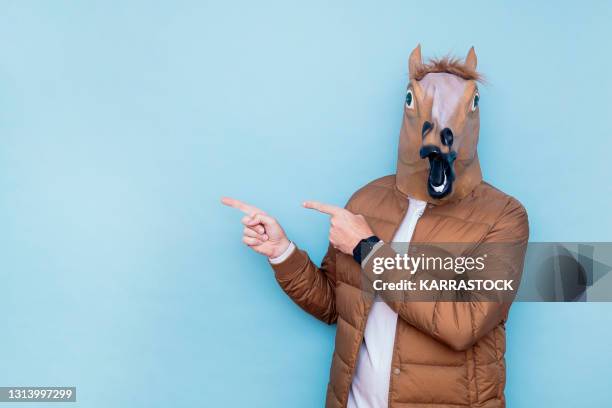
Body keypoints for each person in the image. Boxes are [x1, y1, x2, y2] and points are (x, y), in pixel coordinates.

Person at [222, 45, 528, 408]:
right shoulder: (366, 202)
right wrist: (282, 253)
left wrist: (368, 249)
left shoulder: (503, 218)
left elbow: (464, 324)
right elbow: (336, 307)